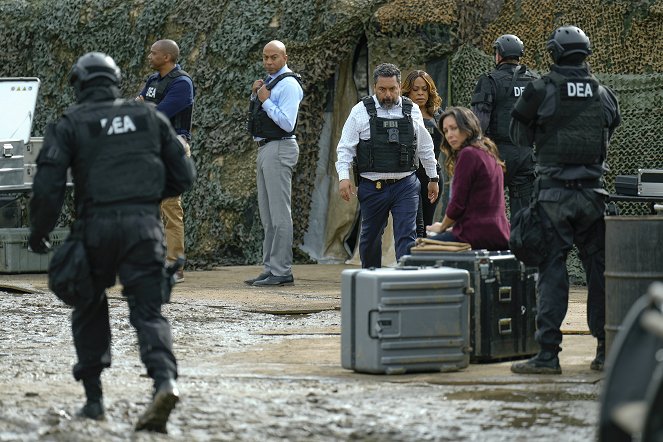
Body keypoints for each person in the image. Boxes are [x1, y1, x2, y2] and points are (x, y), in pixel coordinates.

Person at [28, 52, 196, 432]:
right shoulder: (150, 117)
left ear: (80, 84)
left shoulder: (71, 123)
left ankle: (93, 401)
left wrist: (39, 232)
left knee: (88, 303)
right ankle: (164, 382)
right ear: (116, 81)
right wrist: (146, 199)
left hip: (95, 228)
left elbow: (48, 186)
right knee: (149, 312)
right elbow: (183, 177)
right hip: (143, 228)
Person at [509, 25, 621, 374]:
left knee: (552, 272)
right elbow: (611, 126)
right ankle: (604, 351)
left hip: (553, 195)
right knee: (600, 274)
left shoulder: (540, 89)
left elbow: (518, 134)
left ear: (554, 54)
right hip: (593, 195)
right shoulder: (603, 93)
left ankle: (547, 355)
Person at [336, 63, 439, 268]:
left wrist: (433, 177)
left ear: (400, 87)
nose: (388, 94)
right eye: (382, 89)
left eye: (392, 89)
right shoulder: (360, 111)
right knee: (370, 238)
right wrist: (343, 178)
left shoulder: (411, 110)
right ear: (375, 87)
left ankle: (404, 286)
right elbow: (345, 147)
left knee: (406, 235)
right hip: (373, 186)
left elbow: (425, 147)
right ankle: (370, 282)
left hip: (406, 184)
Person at [244, 40, 303, 287]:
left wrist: (266, 99)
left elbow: (287, 123)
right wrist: (257, 94)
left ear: (285, 57)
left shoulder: (288, 84)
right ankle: (270, 268)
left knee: (279, 215)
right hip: (267, 148)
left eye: (274, 57)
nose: (269, 62)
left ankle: (281, 270)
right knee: (268, 215)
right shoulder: (269, 82)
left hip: (279, 147)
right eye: (266, 57)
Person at [137, 39, 195, 283]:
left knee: (170, 209)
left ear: (167, 57)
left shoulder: (182, 83)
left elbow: (158, 114)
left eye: (154, 53)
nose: (149, 56)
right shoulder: (152, 81)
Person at [471, 34, 539, 217]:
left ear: (499, 54)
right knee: (524, 217)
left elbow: (480, 122)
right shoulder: (534, 80)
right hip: (527, 156)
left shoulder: (490, 80)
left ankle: (492, 244)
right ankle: (520, 245)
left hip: (498, 155)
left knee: (488, 210)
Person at [425, 106, 510, 250]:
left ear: (467, 127)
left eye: (454, 128)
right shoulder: (488, 152)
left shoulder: (468, 154)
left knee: (411, 249)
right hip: (500, 232)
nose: (449, 135)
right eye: (446, 131)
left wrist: (442, 227)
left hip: (476, 234)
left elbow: (457, 204)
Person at [401, 70, 444, 237]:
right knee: (414, 223)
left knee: (426, 224)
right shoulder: (401, 114)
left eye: (424, 89)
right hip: (409, 175)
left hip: (432, 175)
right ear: (408, 92)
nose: (420, 93)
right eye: (416, 89)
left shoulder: (438, 115)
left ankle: (423, 259)